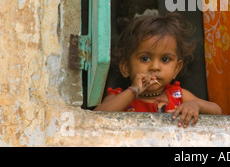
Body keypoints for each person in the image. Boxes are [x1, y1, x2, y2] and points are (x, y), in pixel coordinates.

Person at [94, 13, 222, 127]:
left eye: (165, 59)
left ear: (176, 69)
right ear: (125, 67)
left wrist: (195, 105)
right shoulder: (119, 98)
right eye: (145, 58)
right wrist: (134, 91)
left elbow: (217, 110)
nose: (155, 67)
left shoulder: (178, 95)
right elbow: (96, 117)